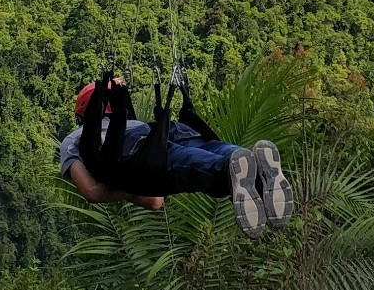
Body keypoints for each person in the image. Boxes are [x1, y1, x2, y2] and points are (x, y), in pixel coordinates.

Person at [58, 77, 293, 237]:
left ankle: (228, 167)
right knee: (205, 146)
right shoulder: (133, 121)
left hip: (137, 150)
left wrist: (129, 186)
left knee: (189, 163)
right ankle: (250, 165)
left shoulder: (74, 139)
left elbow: (93, 192)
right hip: (162, 129)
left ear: (84, 116)